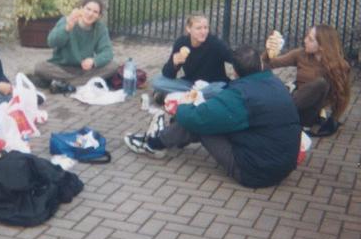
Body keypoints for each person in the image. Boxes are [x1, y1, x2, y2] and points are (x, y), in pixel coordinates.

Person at [125, 45, 301, 189]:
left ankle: (154, 144)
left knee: (199, 122)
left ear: (235, 72)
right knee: (209, 117)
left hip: (255, 171)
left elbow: (199, 118)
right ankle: (168, 138)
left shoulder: (241, 95)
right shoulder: (275, 83)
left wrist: (181, 108)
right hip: (284, 164)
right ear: (261, 65)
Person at [263, 24, 351, 137]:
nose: (305, 41)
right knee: (271, 80)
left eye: (310, 39)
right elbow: (269, 64)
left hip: (309, 112)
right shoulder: (301, 54)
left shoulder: (340, 66)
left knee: (320, 83)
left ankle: (276, 114)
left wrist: (334, 119)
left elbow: (343, 96)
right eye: (306, 37)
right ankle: (277, 112)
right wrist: (269, 51)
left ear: (322, 46)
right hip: (294, 99)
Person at [34, 0, 118, 93]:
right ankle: (80, 83)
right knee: (40, 67)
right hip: (61, 67)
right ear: (81, 9)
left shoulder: (100, 29)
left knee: (113, 66)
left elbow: (108, 53)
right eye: (88, 9)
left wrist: (94, 60)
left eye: (95, 12)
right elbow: (51, 42)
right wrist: (67, 28)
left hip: (84, 69)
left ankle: (66, 84)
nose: (90, 14)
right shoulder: (67, 20)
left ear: (99, 16)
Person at [150, 14, 235, 103]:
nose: (203, 32)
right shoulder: (181, 43)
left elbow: (234, 58)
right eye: (198, 28)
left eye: (206, 28)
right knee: (157, 81)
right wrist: (173, 63)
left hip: (213, 84)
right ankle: (197, 97)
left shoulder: (215, 43)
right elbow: (168, 74)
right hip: (191, 83)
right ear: (188, 29)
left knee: (220, 90)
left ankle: (183, 97)